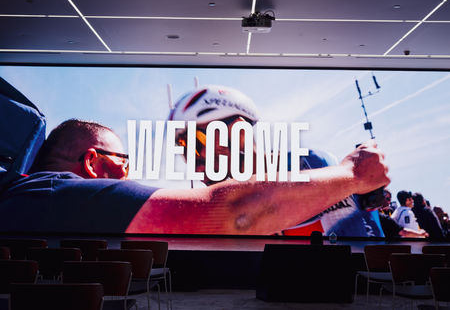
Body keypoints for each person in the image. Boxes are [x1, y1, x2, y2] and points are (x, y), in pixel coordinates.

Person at [0, 117, 389, 235]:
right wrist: (353, 173)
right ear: (92, 163)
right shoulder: (60, 196)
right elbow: (236, 213)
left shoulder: (26, 204)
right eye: (123, 162)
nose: (128, 173)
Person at [169, 85, 389, 237]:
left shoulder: (310, 165)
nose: (193, 162)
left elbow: (360, 255)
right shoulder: (217, 201)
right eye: (183, 147)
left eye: (196, 142)